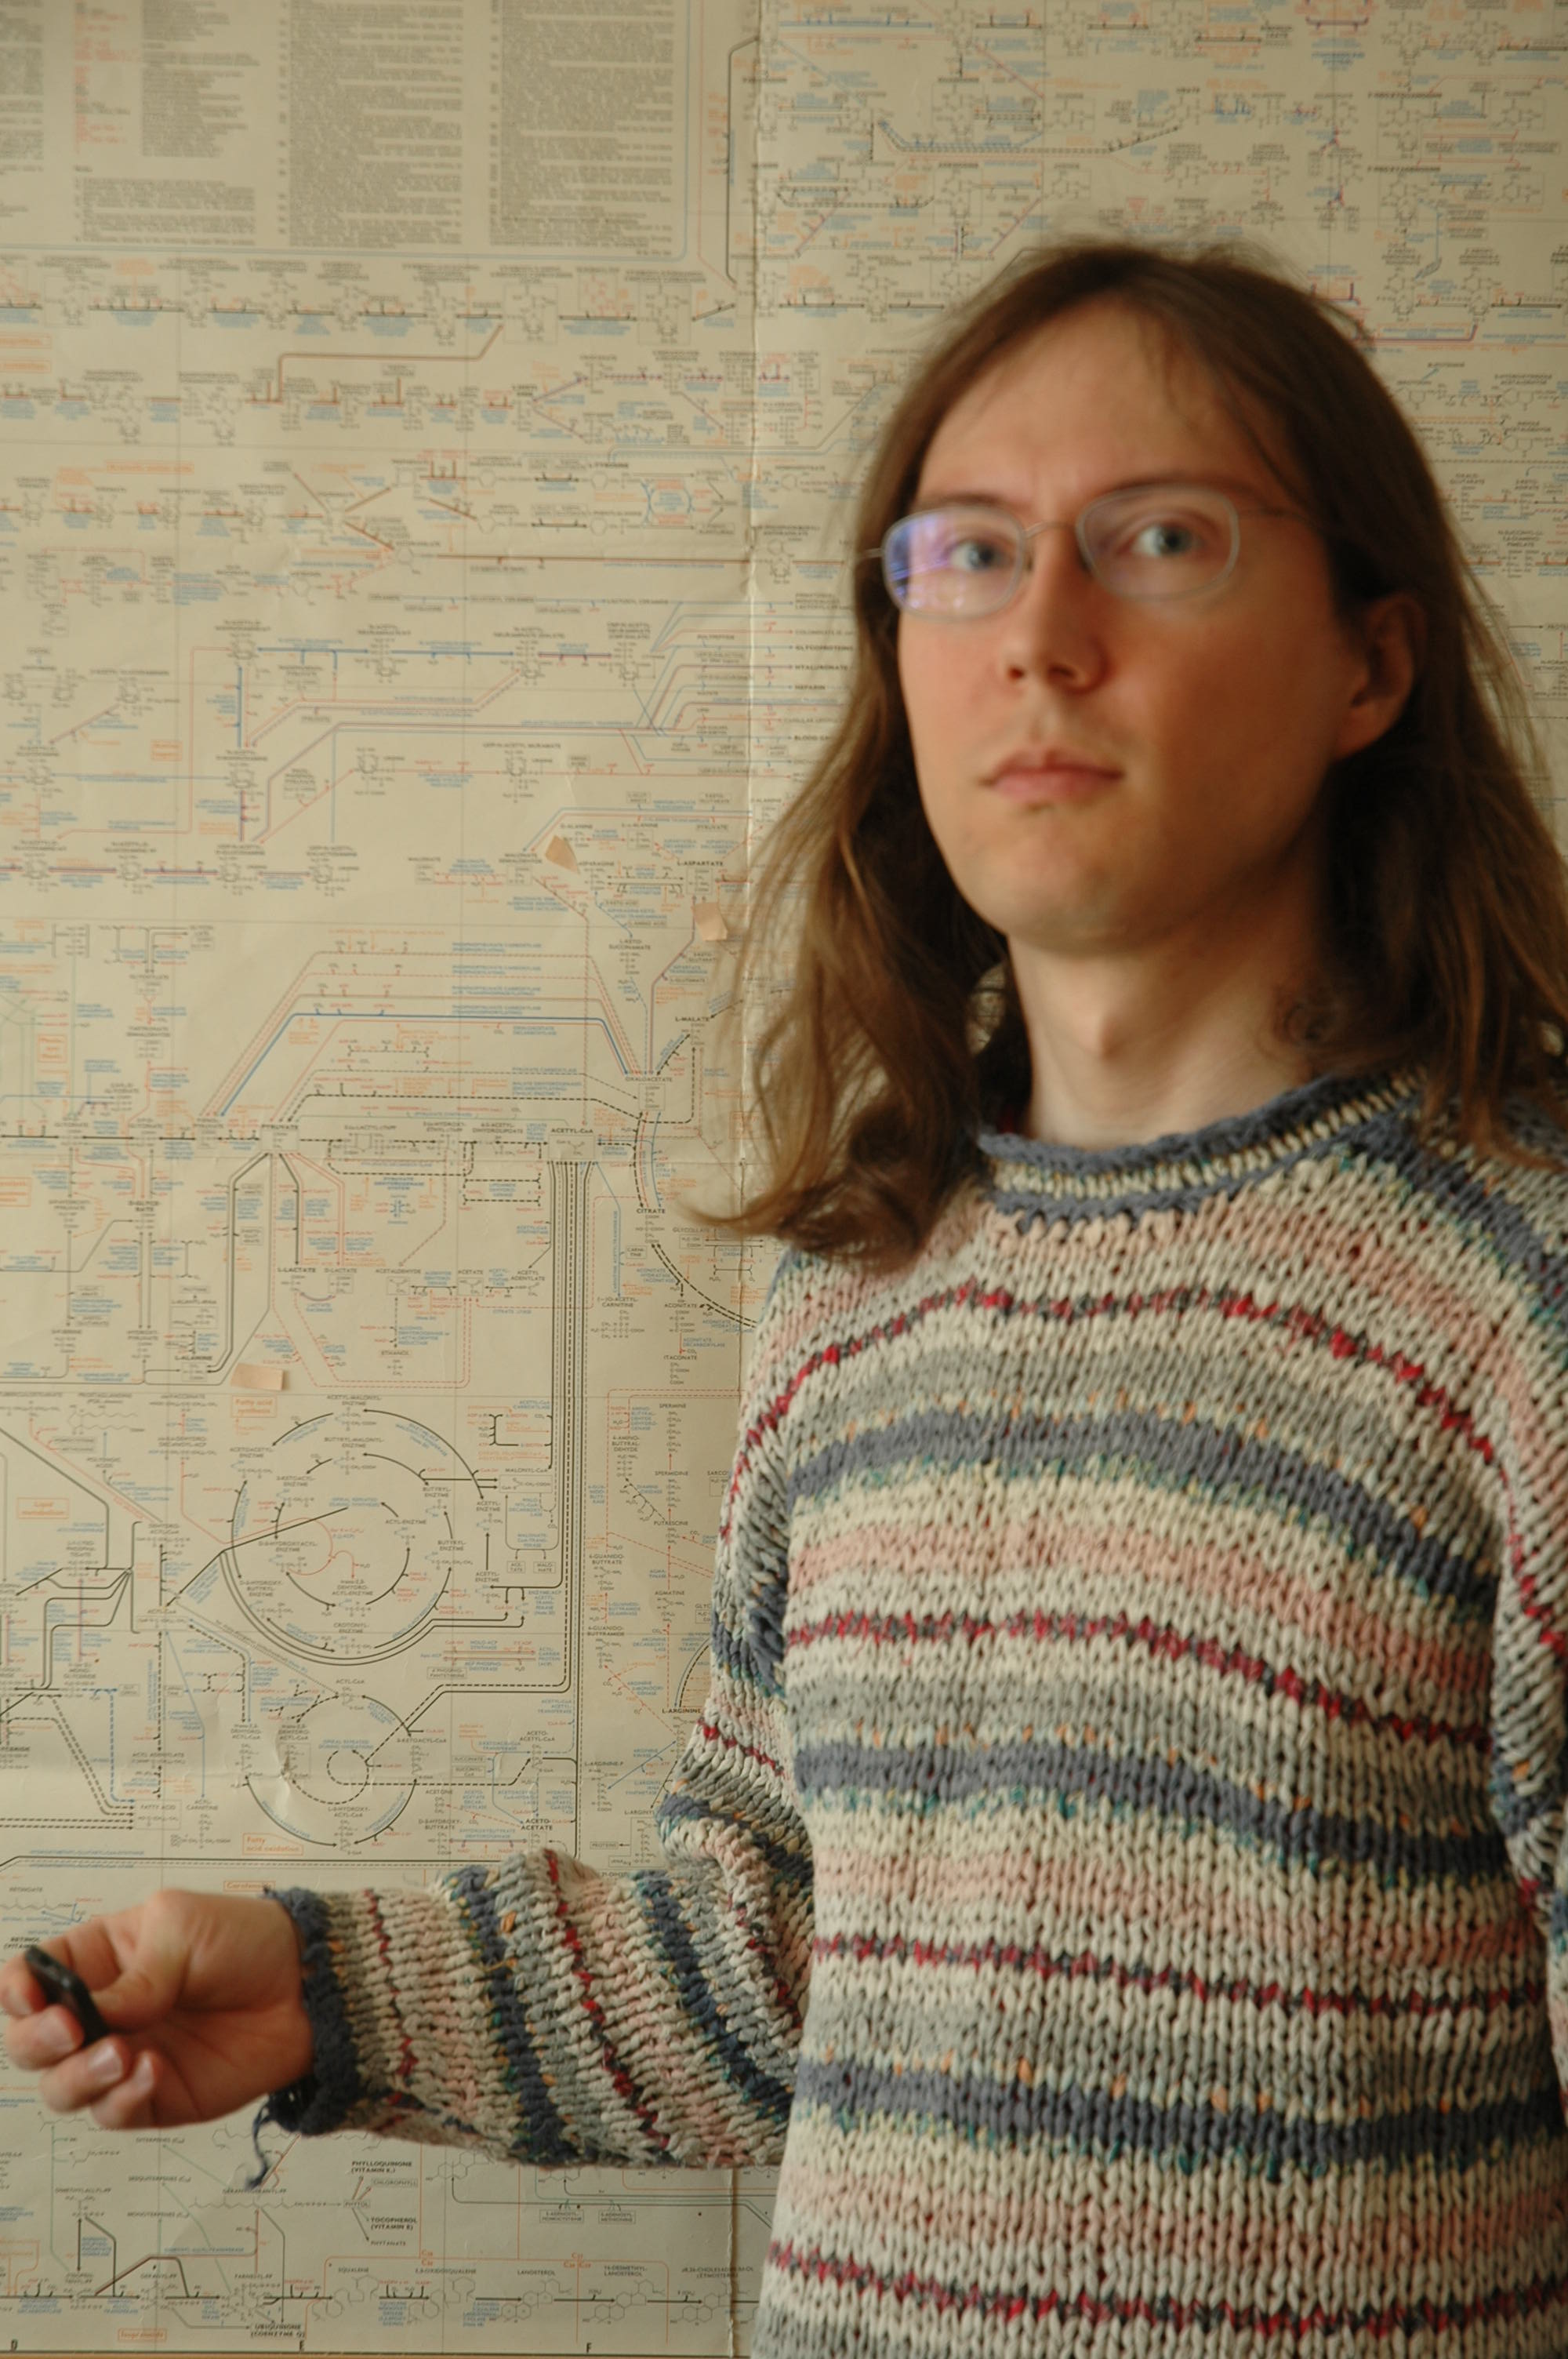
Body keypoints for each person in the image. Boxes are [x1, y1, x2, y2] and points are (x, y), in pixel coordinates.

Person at [7, 234, 1568, 2354]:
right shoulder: (860, 1287)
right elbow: (785, 1956)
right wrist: (322, 1990)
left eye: (1161, 539)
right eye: (968, 554)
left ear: (1370, 664)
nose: (1042, 636)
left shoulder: (1519, 1277)